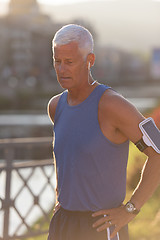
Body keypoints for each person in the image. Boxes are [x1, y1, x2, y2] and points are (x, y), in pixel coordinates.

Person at [47, 24, 160, 240]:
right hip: (62, 224)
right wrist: (58, 198)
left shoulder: (114, 105)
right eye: (57, 61)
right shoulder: (55, 106)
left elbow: (158, 151)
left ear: (90, 60)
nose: (61, 69)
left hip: (101, 227)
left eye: (69, 62)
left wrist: (131, 209)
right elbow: (64, 156)